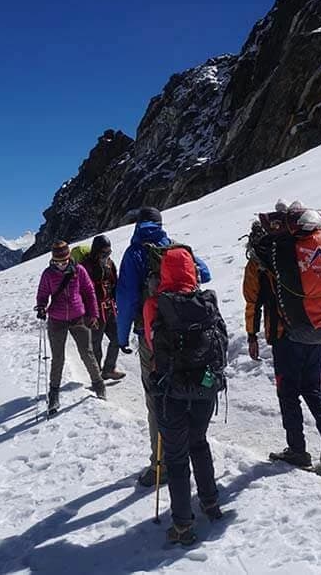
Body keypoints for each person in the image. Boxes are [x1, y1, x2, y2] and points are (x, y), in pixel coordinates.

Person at [245, 200, 321, 468]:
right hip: (315, 327)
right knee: (313, 388)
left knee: (288, 393)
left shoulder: (263, 259)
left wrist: (252, 335)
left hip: (285, 335)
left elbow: (252, 301)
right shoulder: (305, 250)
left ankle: (297, 450)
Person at [116, 206, 212, 487]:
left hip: (152, 337)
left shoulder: (134, 253)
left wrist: (121, 337)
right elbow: (204, 273)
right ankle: (192, 455)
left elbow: (126, 299)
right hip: (186, 333)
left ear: (137, 224)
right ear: (159, 224)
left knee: (157, 401)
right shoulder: (174, 247)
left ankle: (162, 465)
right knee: (186, 392)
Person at [145, 245, 226, 545]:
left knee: (177, 459)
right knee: (199, 443)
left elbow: (153, 347)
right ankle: (210, 502)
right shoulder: (207, 303)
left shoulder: (156, 305)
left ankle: (182, 524)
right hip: (205, 390)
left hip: (170, 394)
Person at [35, 240, 106, 414]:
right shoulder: (47, 274)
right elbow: (42, 294)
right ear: (53, 259)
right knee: (58, 358)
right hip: (56, 319)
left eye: (64, 261)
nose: (61, 264)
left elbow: (89, 293)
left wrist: (93, 315)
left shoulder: (79, 271)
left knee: (87, 353)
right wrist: (42, 306)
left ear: (69, 257)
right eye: (58, 262)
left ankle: (99, 385)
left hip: (78, 317)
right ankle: (54, 395)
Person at [80, 235, 126, 381]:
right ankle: (96, 374)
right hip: (94, 311)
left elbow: (115, 283)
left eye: (108, 252)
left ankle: (109, 369)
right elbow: (83, 290)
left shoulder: (109, 264)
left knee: (118, 338)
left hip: (110, 308)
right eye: (104, 252)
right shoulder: (86, 266)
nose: (106, 255)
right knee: (95, 344)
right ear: (96, 251)